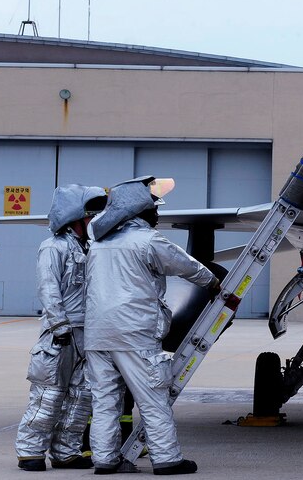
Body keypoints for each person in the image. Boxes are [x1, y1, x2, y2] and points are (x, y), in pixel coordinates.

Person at [84, 176, 222, 475]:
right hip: (134, 332)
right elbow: (186, 265)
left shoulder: (98, 245)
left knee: (105, 400)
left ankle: (105, 460)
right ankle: (167, 459)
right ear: (139, 212)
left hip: (97, 333)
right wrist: (213, 282)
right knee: (153, 397)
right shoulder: (148, 240)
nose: (158, 215)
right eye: (154, 210)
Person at [16, 184, 108, 472]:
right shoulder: (53, 248)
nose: (95, 221)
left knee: (82, 395)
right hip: (61, 334)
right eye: (90, 215)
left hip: (88, 332)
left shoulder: (91, 248)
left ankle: (66, 452)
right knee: (49, 394)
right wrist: (59, 325)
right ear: (76, 218)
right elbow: (48, 288)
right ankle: (30, 451)